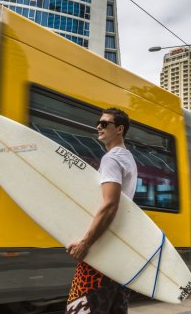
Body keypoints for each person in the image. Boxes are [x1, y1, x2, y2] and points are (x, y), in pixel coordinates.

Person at [65, 108, 138, 314]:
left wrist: (85, 243)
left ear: (120, 129)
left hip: (100, 255)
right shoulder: (129, 158)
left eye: (105, 123)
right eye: (99, 122)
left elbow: (109, 205)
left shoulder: (111, 159)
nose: (99, 126)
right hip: (118, 256)